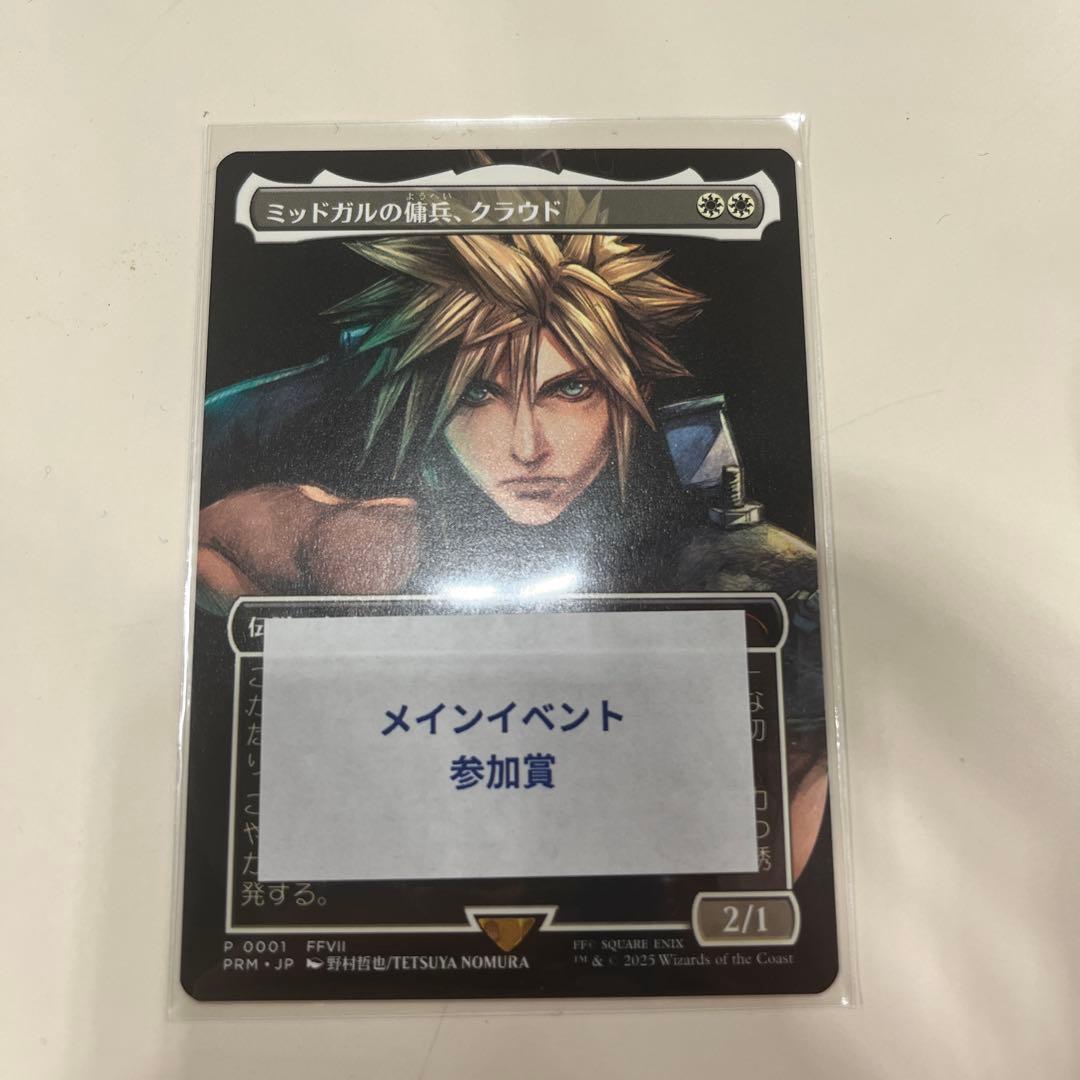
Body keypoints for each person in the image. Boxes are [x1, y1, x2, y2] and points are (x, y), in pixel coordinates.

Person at [196, 231, 827, 877]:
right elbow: (208, 549)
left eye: (571, 390)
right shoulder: (361, 510)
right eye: (478, 394)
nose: (528, 447)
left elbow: (773, 835)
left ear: (628, 390)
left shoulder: (716, 541)